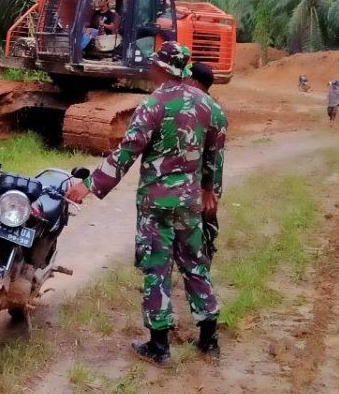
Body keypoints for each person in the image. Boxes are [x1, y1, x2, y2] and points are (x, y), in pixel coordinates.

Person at [66, 42, 226, 365]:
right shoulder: (210, 108)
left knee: (157, 268)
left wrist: (89, 186)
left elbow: (126, 153)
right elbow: (214, 155)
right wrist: (211, 190)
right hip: (190, 204)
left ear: (163, 69)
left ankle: (159, 346)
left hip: (156, 203)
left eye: (154, 65)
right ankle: (209, 338)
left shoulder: (153, 105)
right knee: (195, 264)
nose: (151, 68)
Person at [189, 62, 223, 262]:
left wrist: (210, 190)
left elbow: (214, 155)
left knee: (201, 231)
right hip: (204, 184)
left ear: (193, 81)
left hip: (201, 185)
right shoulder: (214, 109)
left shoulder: (204, 110)